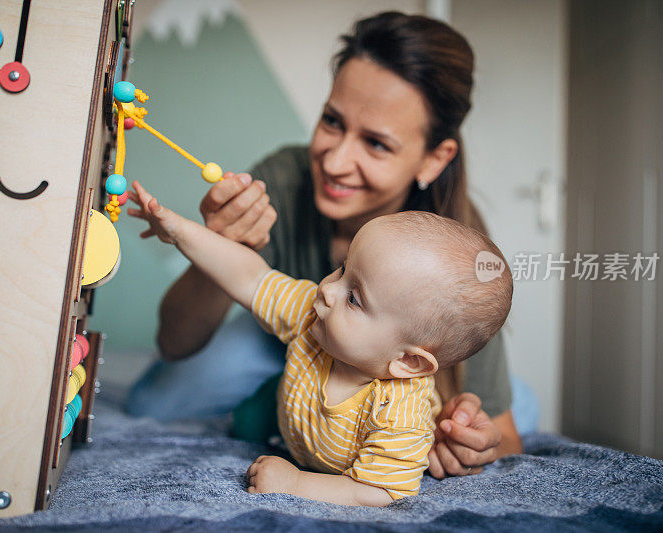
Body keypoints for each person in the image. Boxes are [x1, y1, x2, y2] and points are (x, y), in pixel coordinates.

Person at [127, 11, 524, 478]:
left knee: (504, 408)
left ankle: (515, 395)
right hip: (287, 350)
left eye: (376, 144)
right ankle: (289, 399)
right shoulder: (285, 180)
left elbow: (506, 439)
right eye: (333, 121)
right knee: (150, 399)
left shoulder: (457, 262)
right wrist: (212, 239)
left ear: (435, 158)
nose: (335, 162)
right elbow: (178, 338)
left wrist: (466, 442)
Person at [127, 180, 513, 505]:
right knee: (247, 421)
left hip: (330, 444)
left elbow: (379, 491)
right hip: (294, 410)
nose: (327, 289)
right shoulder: (313, 312)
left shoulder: (399, 412)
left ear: (408, 363)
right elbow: (250, 278)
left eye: (354, 298)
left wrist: (296, 484)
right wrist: (178, 230)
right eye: (344, 268)